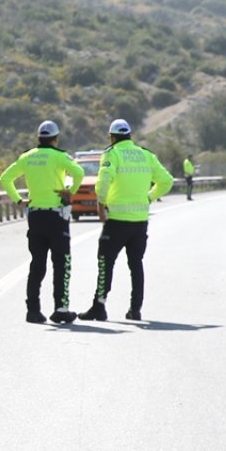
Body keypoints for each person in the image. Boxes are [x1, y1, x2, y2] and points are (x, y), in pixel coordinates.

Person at [79, 119, 173, 322]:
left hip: (117, 221)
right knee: (136, 264)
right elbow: (167, 181)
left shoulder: (112, 154)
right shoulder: (146, 155)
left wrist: (101, 203)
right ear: (130, 136)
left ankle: (99, 307)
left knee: (105, 263)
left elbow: (103, 181)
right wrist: (149, 196)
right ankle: (135, 309)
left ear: (112, 137)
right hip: (140, 221)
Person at [0, 120, 85, 324]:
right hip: (56, 217)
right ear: (55, 139)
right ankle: (61, 309)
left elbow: (5, 178)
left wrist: (19, 200)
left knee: (37, 265)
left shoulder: (27, 157)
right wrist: (69, 192)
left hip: (35, 217)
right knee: (61, 264)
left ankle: (33, 310)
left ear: (39, 138)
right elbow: (79, 173)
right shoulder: (60, 156)